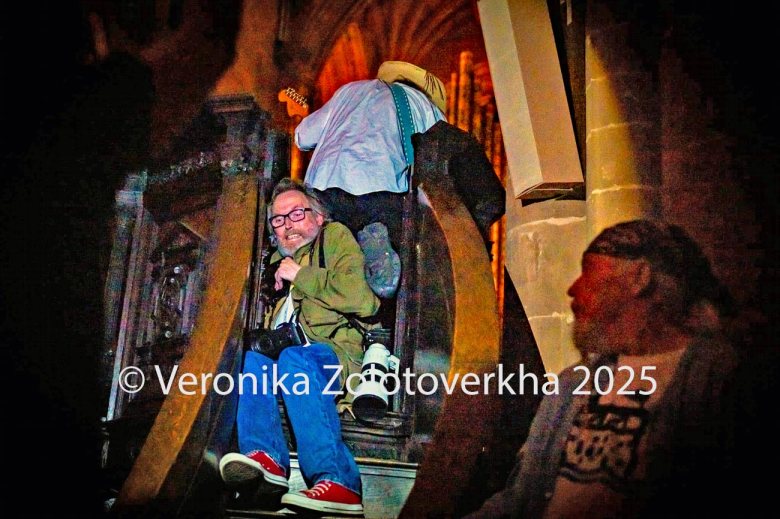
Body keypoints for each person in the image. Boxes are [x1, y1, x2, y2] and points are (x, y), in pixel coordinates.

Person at [465, 219, 740, 519]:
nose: (573, 289)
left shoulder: (720, 378)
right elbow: (518, 501)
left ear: (640, 277)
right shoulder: (571, 385)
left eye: (588, 273)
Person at [219, 178, 379, 516]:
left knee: (294, 358)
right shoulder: (274, 267)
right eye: (278, 220)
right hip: (296, 367)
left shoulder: (333, 238)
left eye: (296, 214)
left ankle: (340, 482)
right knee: (255, 359)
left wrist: (300, 274)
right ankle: (267, 460)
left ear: (319, 218)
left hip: (335, 359)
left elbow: (362, 300)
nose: (287, 225)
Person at [294, 60, 447, 251]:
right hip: (381, 194)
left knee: (323, 257)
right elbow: (441, 158)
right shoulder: (425, 106)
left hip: (323, 190)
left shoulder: (349, 91)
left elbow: (303, 136)